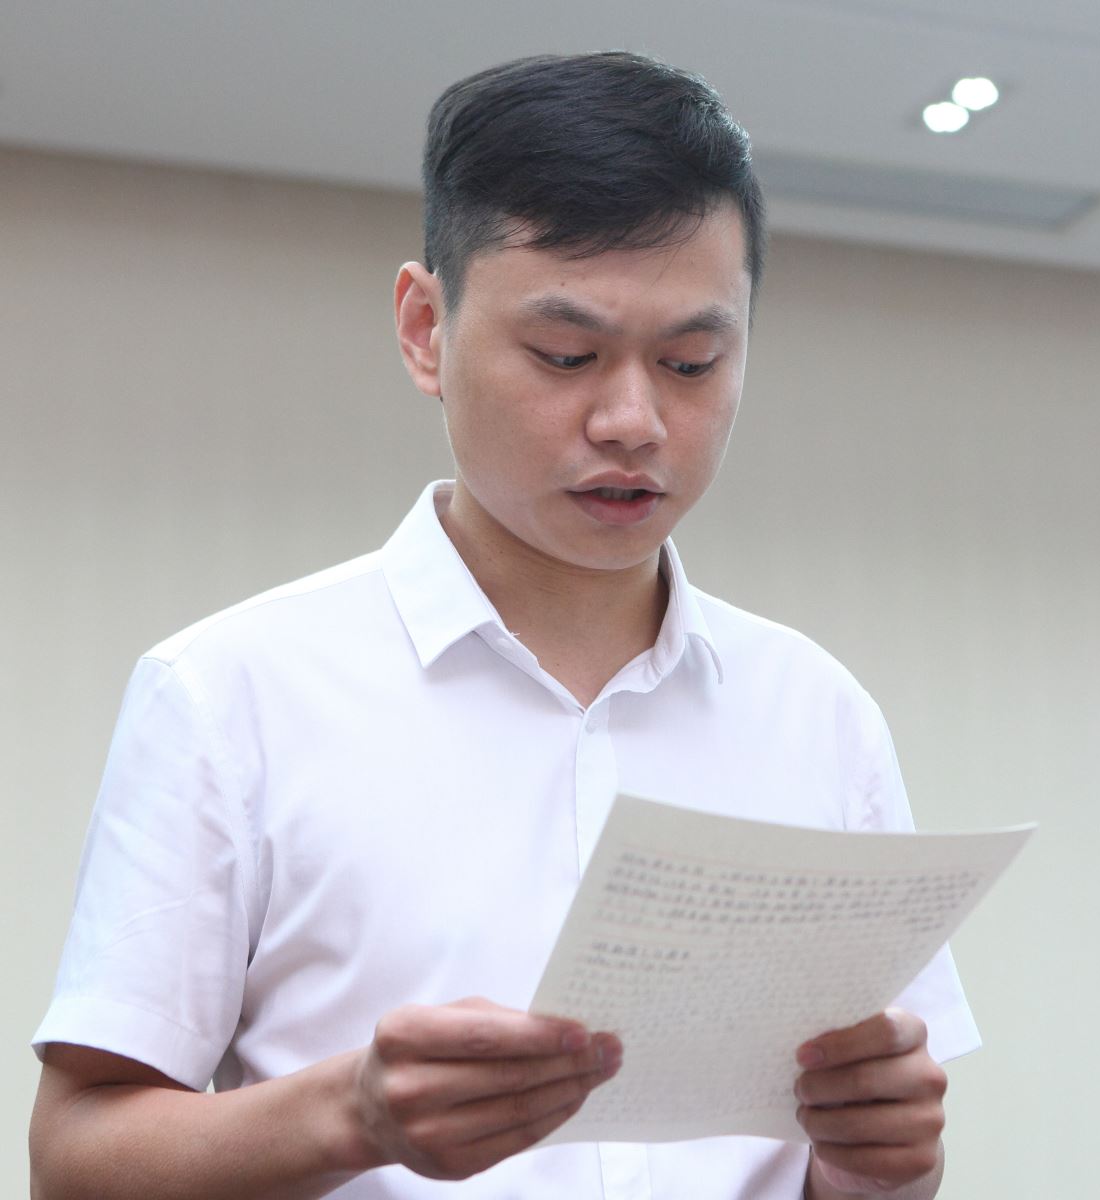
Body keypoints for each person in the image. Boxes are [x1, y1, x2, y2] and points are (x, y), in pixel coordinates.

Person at [29, 52, 978, 1199]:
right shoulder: (231, 692)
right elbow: (74, 1160)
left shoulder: (816, 713)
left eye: (691, 361)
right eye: (565, 355)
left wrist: (881, 1166)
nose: (632, 420)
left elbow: (860, 1163)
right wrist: (351, 1115)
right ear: (425, 328)